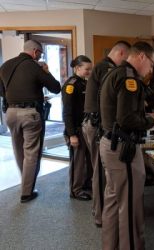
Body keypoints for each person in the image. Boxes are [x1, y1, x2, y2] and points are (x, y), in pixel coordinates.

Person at [99, 41, 154, 250]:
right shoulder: (129, 78)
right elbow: (127, 119)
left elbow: (121, 114)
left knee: (112, 201)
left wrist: (145, 116)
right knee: (129, 205)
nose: (151, 70)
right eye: (152, 64)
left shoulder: (114, 72)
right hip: (123, 150)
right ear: (142, 57)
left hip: (110, 143)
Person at [0, 40, 61, 203]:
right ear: (35, 51)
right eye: (40, 53)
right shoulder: (35, 66)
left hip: (11, 113)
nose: (41, 56)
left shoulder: (6, 65)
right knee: (31, 152)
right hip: (30, 114)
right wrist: (46, 72)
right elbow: (56, 88)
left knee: (18, 149)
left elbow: (1, 90)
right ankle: (27, 192)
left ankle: (25, 183)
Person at [82, 40, 130, 227]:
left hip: (93, 123)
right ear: (120, 53)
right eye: (126, 59)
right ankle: (101, 215)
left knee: (99, 169)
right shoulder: (107, 68)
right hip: (96, 125)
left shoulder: (103, 66)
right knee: (100, 171)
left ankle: (100, 211)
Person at [62, 55, 93, 201]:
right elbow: (67, 112)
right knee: (78, 162)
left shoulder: (83, 83)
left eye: (90, 69)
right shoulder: (71, 85)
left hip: (85, 127)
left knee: (87, 160)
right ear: (77, 68)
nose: (89, 71)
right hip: (75, 128)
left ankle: (86, 185)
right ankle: (75, 190)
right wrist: (71, 134)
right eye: (87, 69)